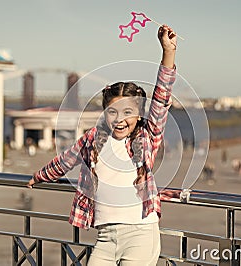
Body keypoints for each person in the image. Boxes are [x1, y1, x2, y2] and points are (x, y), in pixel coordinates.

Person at [27, 24, 177, 265]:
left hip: (140, 234)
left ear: (139, 113)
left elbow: (162, 96)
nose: (120, 119)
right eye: (112, 112)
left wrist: (167, 52)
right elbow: (66, 160)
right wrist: (39, 176)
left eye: (128, 111)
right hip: (105, 236)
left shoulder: (148, 135)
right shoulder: (93, 138)